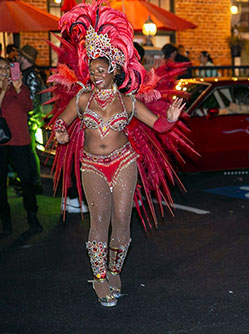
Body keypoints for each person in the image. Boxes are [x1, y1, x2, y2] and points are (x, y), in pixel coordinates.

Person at [51, 1, 187, 307]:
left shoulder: (128, 102)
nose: (95, 75)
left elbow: (160, 126)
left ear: (114, 69)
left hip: (124, 162)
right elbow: (61, 120)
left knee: (122, 223)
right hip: (92, 166)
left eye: (101, 70)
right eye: (92, 71)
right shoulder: (83, 99)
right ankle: (99, 279)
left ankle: (114, 270)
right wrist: (60, 132)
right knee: (99, 221)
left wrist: (172, 119)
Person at [0, 57, 43, 239]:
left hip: (20, 141)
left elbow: (28, 107)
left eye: (6, 68)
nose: (4, 71)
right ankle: (6, 222)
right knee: (1, 184)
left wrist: (18, 89)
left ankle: (32, 217)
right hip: (1, 143)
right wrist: (2, 91)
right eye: (0, 68)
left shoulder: (20, 86)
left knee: (26, 180)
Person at [18, 44, 44, 194]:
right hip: (28, 119)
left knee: (29, 152)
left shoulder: (31, 75)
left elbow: (32, 101)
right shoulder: (28, 74)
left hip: (30, 120)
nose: (18, 59)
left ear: (25, 58)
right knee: (27, 152)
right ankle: (31, 182)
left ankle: (34, 183)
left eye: (20, 56)